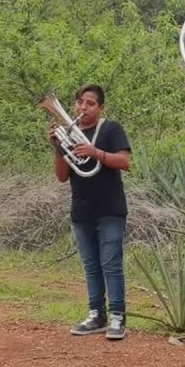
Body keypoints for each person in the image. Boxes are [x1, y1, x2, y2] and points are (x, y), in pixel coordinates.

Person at [51, 85, 133, 340]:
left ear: (100, 108)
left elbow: (125, 162)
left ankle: (117, 315)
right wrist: (58, 147)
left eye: (89, 103)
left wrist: (95, 152)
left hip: (110, 208)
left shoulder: (111, 129)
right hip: (82, 208)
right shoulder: (69, 133)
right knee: (90, 265)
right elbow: (61, 176)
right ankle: (96, 313)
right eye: (79, 102)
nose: (83, 108)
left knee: (111, 263)